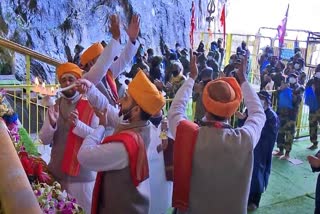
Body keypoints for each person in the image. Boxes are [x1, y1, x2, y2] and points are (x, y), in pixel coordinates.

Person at [168, 52, 266, 213]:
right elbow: (258, 113)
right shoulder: (246, 138)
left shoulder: (189, 135)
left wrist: (192, 77)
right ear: (233, 110)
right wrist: (243, 81)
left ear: (205, 104)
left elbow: (175, 110)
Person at [76, 69, 165, 213]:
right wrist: (90, 89)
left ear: (136, 110)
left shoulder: (125, 146)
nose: (119, 101)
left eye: (125, 98)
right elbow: (109, 110)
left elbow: (84, 156)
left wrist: (101, 127)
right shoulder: (143, 126)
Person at [39, 62, 99, 213]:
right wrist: (51, 123)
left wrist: (79, 125)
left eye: (70, 79)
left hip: (82, 179)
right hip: (57, 175)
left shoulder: (92, 105)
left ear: (78, 81)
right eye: (63, 80)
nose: (66, 83)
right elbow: (44, 140)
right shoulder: (55, 106)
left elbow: (98, 139)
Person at [81, 14, 140, 107]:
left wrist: (132, 40)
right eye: (102, 56)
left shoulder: (109, 72)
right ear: (91, 63)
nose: (108, 59)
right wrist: (116, 38)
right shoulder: (86, 79)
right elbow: (101, 66)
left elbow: (124, 59)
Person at [237, 91, 280, 211]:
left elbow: (270, 135)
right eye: (258, 98)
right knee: (246, 173)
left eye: (262, 99)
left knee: (258, 175)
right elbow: (244, 128)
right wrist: (242, 119)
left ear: (267, 101)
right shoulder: (250, 111)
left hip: (261, 150)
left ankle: (255, 201)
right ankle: (245, 198)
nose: (259, 101)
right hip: (250, 147)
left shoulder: (271, 116)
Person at [273, 73, 304, 159]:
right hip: (281, 114)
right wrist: (280, 90)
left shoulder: (299, 88)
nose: (291, 79)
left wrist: (289, 92)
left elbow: (296, 101)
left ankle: (287, 154)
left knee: (289, 134)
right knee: (280, 133)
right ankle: (280, 150)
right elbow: (277, 97)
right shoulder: (285, 86)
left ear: (296, 79)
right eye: (290, 77)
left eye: (293, 78)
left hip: (291, 116)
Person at [305, 65, 320, 150]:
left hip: (316, 107)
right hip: (314, 107)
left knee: (313, 125)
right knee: (312, 126)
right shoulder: (312, 81)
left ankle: (314, 143)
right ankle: (314, 143)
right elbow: (307, 89)